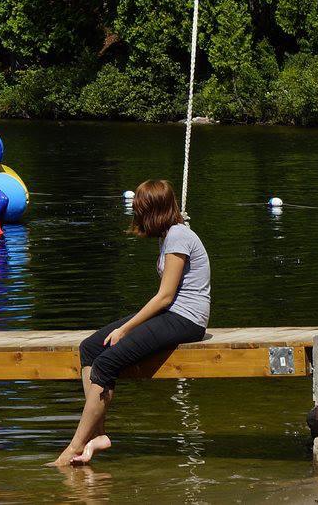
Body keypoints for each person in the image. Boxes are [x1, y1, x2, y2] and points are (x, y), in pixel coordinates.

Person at [51, 179, 211, 466]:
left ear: (153, 211)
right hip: (173, 312)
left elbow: (164, 297)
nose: (135, 214)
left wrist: (125, 329)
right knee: (90, 347)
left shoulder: (177, 237)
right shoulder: (169, 234)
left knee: (106, 364)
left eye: (139, 209)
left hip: (186, 318)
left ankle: (75, 445)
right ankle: (97, 434)